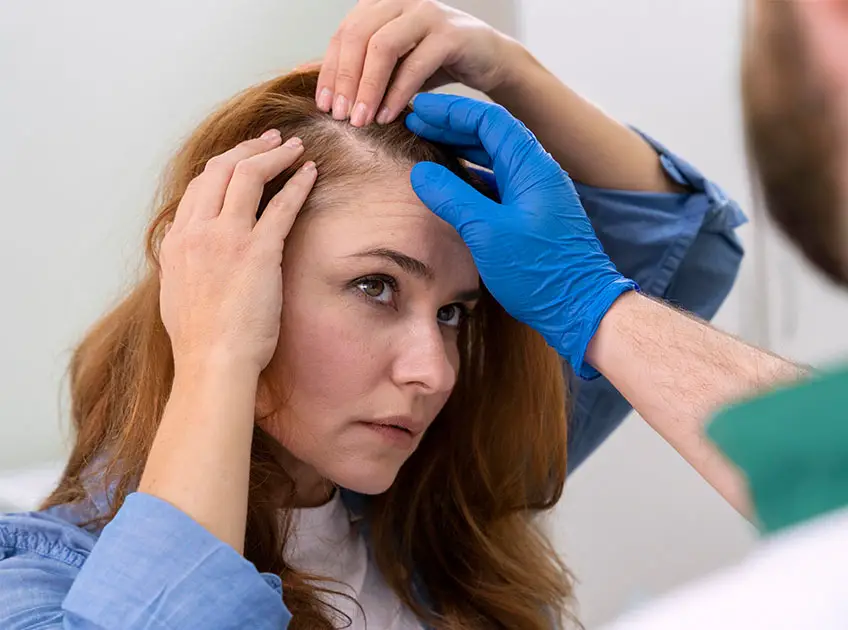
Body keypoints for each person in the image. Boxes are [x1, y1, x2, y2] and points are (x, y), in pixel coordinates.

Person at [0, 3, 779, 630]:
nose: (435, 372)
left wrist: (512, 73)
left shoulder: (440, 504)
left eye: (454, 313)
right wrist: (213, 358)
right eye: (376, 287)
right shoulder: (38, 583)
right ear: (223, 283)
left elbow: (680, 259)